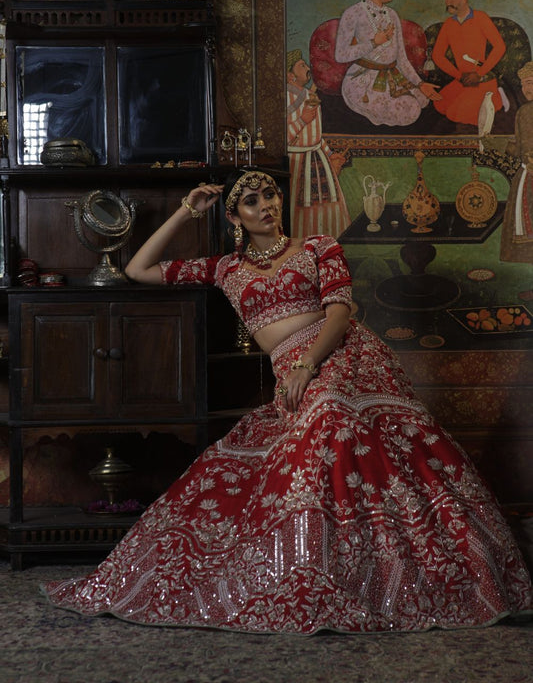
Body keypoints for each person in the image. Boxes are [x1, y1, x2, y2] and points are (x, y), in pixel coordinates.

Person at [42, 168, 532, 633]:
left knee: (333, 422)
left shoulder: (318, 247)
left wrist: (306, 365)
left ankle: (368, 576)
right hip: (292, 371)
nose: (265, 206)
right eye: (251, 202)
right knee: (300, 443)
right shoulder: (223, 268)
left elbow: (339, 314)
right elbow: (137, 268)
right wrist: (187, 210)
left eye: (270, 196)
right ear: (234, 217)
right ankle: (307, 572)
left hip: (340, 355)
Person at [334, 0, 441, 127]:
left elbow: (402, 60)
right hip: (363, 81)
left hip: (392, 75)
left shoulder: (392, 14)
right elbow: (340, 55)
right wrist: (373, 43)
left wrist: (420, 83)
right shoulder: (353, 13)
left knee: (423, 99)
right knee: (412, 110)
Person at [432, 0, 506, 128]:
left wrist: (479, 73)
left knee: (457, 113)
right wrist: (458, 76)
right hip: (462, 80)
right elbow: (437, 56)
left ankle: (497, 94)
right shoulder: (448, 25)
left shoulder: (481, 18)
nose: (448, 1)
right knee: (440, 104)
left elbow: (500, 47)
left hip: (482, 78)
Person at [287, 49, 351, 237]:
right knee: (299, 212)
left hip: (319, 159)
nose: (307, 68)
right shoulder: (282, 99)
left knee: (327, 207)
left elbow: (316, 135)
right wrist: (302, 121)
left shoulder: (310, 95)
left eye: (306, 64)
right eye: (301, 65)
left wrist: (330, 154)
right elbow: (280, 138)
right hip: (296, 164)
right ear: (290, 76)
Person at [499, 61, 533, 298]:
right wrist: (499, 145)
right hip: (527, 175)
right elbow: (520, 147)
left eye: (530, 83)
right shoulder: (523, 112)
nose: (526, 89)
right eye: (523, 85)